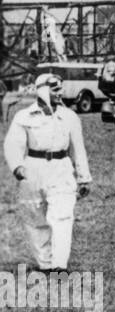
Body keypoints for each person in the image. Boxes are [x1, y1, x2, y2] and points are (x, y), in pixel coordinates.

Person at [4, 73, 92, 272]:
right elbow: (13, 144)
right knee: (36, 218)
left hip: (61, 168)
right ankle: (45, 263)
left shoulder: (69, 117)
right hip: (33, 169)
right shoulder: (24, 116)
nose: (59, 91)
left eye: (60, 87)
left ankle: (59, 265)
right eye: (54, 87)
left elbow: (78, 148)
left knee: (62, 217)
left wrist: (84, 177)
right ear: (41, 89)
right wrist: (18, 167)